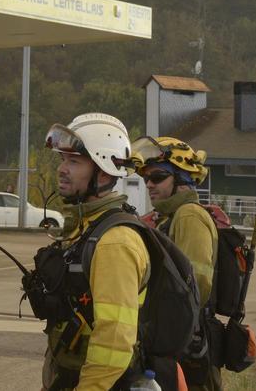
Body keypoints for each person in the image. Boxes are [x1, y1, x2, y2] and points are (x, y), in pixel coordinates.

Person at [38, 113, 155, 391]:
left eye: (74, 161)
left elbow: (114, 340)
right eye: (63, 159)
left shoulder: (115, 241)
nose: (62, 169)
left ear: (103, 172)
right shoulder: (86, 227)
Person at [132, 136, 220, 390]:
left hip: (183, 346)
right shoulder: (169, 218)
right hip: (170, 341)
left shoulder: (189, 215)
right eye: (146, 178)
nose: (149, 184)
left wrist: (171, 334)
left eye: (157, 177)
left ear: (182, 179)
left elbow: (197, 284)